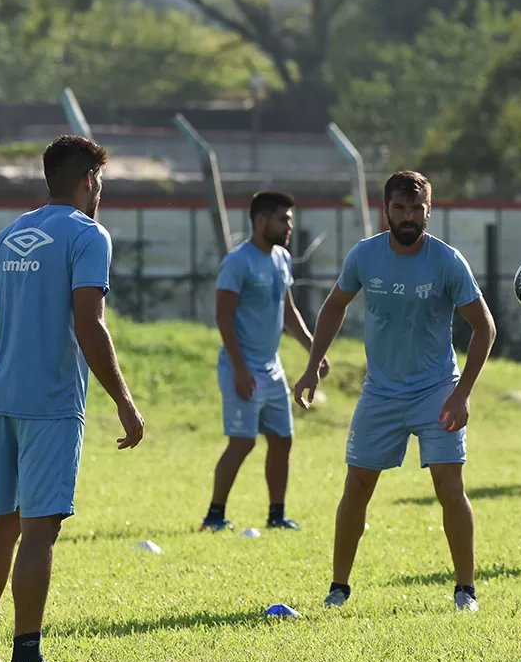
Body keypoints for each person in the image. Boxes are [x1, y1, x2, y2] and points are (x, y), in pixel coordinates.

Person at [0, 135, 145, 662]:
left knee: (4, 521)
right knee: (40, 530)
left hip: (2, 399)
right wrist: (125, 402)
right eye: (99, 181)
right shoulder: (89, 236)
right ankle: (27, 656)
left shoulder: (11, 233)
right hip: (52, 404)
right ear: (90, 181)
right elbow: (90, 323)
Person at [293, 171, 496, 612]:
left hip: (436, 391)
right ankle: (339, 588)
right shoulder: (364, 257)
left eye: (416, 208)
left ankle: (466, 590)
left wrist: (461, 394)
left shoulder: (447, 261)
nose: (408, 216)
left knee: (449, 484)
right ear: (385, 211)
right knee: (357, 485)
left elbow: (484, 327)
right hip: (380, 392)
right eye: (400, 208)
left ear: (429, 210)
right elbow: (333, 307)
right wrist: (311, 367)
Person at [202, 191, 327, 532]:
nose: (290, 226)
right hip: (241, 368)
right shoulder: (238, 262)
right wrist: (240, 369)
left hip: (272, 369)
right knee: (243, 442)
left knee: (283, 440)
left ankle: (277, 515)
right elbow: (223, 317)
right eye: (283, 219)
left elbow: (288, 311)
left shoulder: (282, 258)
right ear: (261, 221)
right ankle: (214, 516)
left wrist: (314, 351)